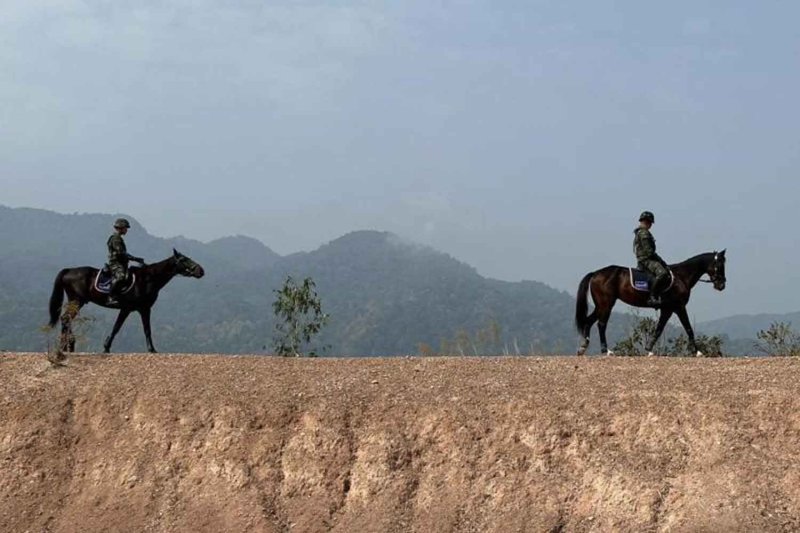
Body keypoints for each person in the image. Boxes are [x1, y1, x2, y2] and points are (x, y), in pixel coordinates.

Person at [634, 211, 670, 307]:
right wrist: (661, 261)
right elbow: (649, 252)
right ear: (646, 222)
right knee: (662, 273)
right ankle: (652, 297)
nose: (650, 225)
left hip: (644, 258)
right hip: (646, 260)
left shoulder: (641, 232)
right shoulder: (644, 233)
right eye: (649, 222)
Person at [106, 218, 144, 305]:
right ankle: (110, 297)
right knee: (121, 276)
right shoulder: (116, 239)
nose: (126, 230)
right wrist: (135, 258)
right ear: (120, 228)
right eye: (125, 228)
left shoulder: (119, 238)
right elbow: (121, 253)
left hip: (122, 263)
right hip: (116, 264)